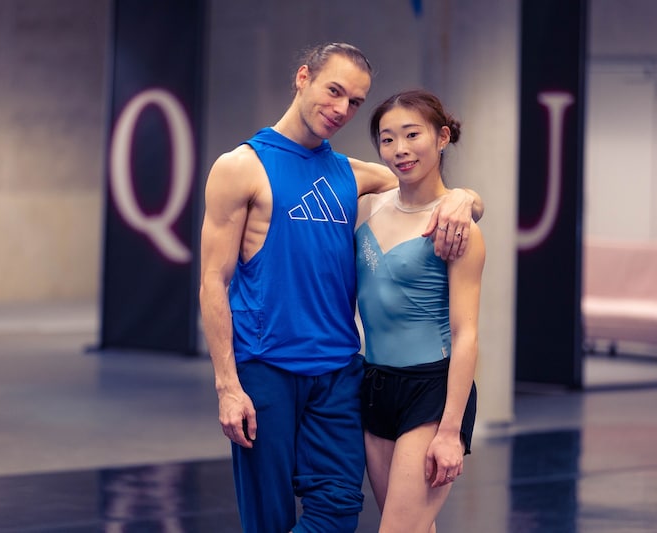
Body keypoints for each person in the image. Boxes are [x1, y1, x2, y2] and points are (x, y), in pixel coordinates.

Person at [199, 42, 483, 533]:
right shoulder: (239, 166)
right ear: (303, 78)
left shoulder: (352, 174)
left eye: (354, 102)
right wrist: (227, 386)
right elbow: (212, 280)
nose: (341, 110)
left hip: (338, 372)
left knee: (337, 512)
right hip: (265, 367)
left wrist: (465, 197)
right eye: (334, 91)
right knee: (267, 519)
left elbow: (420, 188)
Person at [356, 89, 485, 533]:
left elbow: (466, 332)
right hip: (374, 384)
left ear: (442, 137)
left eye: (413, 135)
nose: (400, 149)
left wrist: (450, 430)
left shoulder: (455, 226)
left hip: (431, 390)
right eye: (387, 139)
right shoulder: (367, 206)